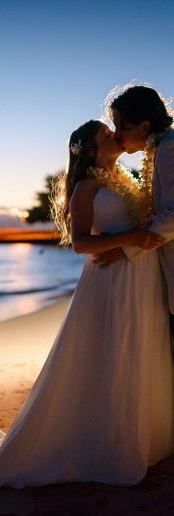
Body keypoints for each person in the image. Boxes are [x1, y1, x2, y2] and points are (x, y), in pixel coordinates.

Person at [0, 119, 174, 488]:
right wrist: (131, 238)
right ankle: (105, 444)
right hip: (109, 281)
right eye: (105, 134)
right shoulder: (86, 187)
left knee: (141, 349)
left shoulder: (129, 179)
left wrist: (136, 242)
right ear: (92, 149)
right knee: (110, 352)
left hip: (142, 276)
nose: (114, 133)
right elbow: (81, 243)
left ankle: (143, 438)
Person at [93, 85, 174, 349]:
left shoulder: (170, 149)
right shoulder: (161, 149)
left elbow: (173, 214)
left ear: (144, 126)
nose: (117, 134)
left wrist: (126, 246)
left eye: (122, 126)